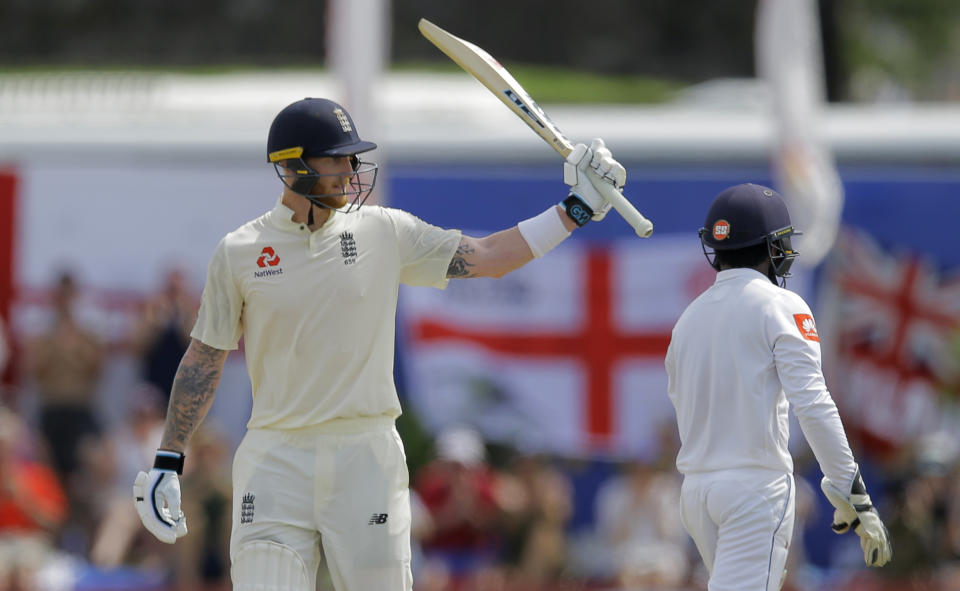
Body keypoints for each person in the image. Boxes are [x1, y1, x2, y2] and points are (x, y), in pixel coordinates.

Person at [132, 97, 628, 591]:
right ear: (293, 166)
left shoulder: (385, 231)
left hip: (365, 455)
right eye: (337, 158)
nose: (351, 170)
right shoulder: (239, 251)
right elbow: (205, 357)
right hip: (276, 457)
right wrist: (169, 459)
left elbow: (490, 256)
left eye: (354, 157)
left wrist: (576, 209)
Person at [664, 183, 892, 591]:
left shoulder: (688, 319)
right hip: (755, 489)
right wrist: (849, 487)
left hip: (696, 492)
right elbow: (813, 403)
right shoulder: (781, 305)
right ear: (772, 247)